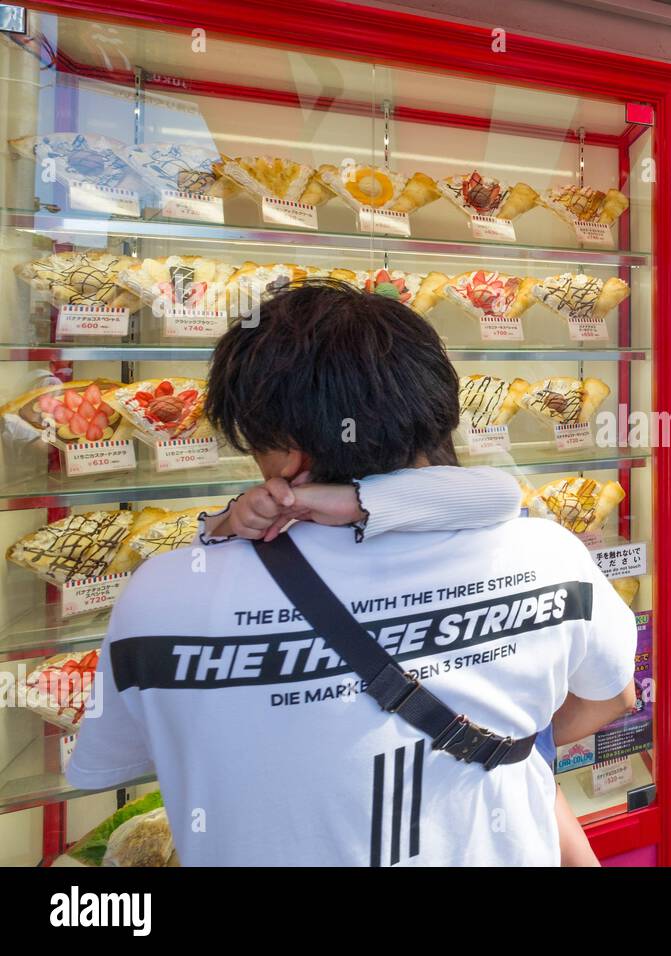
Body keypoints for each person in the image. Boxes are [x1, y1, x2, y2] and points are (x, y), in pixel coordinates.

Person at [67, 281, 638, 866]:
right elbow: (610, 697)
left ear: (286, 455)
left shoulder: (162, 595)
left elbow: (123, 760)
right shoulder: (548, 554)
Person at [200, 468, 603, 866]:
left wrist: (224, 526)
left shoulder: (193, 601)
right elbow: (499, 493)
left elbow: (500, 493)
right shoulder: (543, 553)